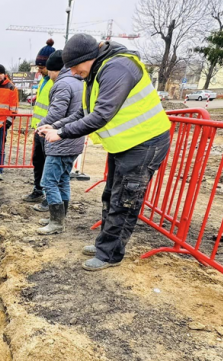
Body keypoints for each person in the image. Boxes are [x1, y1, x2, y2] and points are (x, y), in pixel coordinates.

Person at [38, 34, 171, 271]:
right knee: (111, 196)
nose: (75, 74)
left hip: (145, 143)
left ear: (88, 58)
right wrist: (57, 126)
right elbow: (85, 112)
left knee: (125, 201)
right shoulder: (97, 71)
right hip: (126, 144)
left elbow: (101, 115)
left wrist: (63, 133)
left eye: (77, 68)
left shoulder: (117, 68)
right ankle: (105, 245)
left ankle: (110, 254)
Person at [34, 50, 84, 235]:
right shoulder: (78, 82)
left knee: (48, 181)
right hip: (74, 139)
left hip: (62, 141)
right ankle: (59, 218)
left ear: (54, 69)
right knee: (63, 180)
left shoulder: (62, 84)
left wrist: (41, 126)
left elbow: (56, 113)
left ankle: (56, 223)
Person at [24, 39, 55, 209]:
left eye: (41, 67)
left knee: (49, 165)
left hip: (49, 131)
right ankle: (38, 189)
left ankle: (50, 198)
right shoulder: (44, 80)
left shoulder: (55, 82)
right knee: (38, 161)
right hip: (39, 130)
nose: (39, 70)